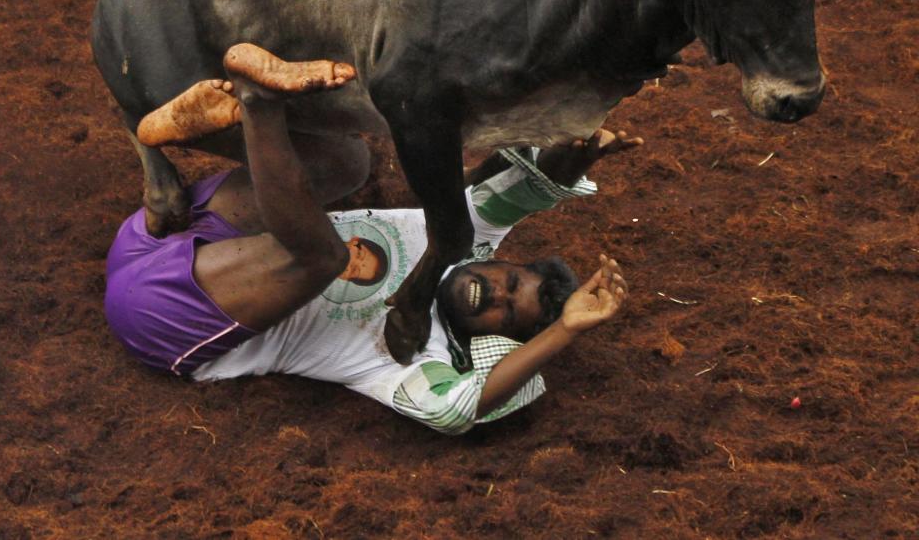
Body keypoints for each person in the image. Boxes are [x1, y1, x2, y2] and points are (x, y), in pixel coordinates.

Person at [106, 42, 634, 434]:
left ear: (495, 340)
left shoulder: (418, 357)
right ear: (506, 261)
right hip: (167, 241)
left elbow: (458, 409)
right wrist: (580, 149)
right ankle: (231, 123)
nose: (497, 292)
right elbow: (522, 186)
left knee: (324, 257)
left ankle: (256, 105)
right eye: (512, 280)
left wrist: (563, 330)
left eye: (507, 311)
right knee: (345, 162)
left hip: (162, 318)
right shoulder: (464, 238)